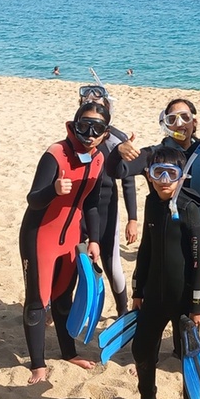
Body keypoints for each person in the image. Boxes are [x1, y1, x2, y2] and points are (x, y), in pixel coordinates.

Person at [113, 146, 200, 399]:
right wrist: (138, 288)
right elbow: (146, 249)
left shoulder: (190, 208)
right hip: (154, 295)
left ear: (182, 177)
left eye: (172, 174)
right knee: (141, 350)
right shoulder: (152, 204)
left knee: (188, 360)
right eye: (158, 173)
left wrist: (197, 303)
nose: (165, 180)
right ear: (149, 176)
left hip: (183, 300)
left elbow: (199, 259)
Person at [18, 101, 111, 384]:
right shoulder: (56, 154)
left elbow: (93, 204)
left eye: (97, 128)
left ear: (105, 134)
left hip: (72, 239)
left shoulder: (98, 159)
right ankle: (38, 365)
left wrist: (94, 239)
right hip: (40, 236)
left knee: (62, 299)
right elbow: (33, 199)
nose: (90, 133)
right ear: (74, 124)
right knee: (38, 301)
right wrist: (53, 190)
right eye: (84, 125)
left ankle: (68, 353)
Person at [107, 97, 200, 354]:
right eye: (172, 118)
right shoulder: (154, 154)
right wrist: (118, 153)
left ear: (195, 121)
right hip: (160, 234)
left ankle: (181, 349)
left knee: (185, 325)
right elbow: (118, 172)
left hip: (196, 234)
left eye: (185, 117)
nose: (180, 123)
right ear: (164, 123)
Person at [78, 85, 138, 317]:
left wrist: (132, 218)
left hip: (105, 206)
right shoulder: (77, 133)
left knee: (111, 261)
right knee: (73, 260)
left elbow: (128, 181)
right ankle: (62, 307)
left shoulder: (117, 139)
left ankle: (122, 311)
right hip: (77, 207)